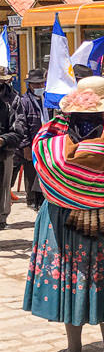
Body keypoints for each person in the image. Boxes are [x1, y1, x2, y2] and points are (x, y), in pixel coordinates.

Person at [23, 76, 104, 352]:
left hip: (63, 221)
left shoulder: (50, 144)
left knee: (71, 277)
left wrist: (73, 194)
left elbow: (41, 177)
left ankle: (74, 349)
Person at [0, 67, 25, 230]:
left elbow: (19, 127)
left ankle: (1, 218)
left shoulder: (13, 99)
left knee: (3, 185)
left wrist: (3, 139)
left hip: (4, 151)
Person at [20, 69, 49, 210]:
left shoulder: (47, 99)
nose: (39, 87)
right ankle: (31, 199)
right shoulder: (24, 102)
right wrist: (25, 145)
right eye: (35, 85)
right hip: (32, 143)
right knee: (31, 172)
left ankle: (43, 197)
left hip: (47, 142)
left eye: (41, 84)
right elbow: (22, 125)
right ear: (29, 85)